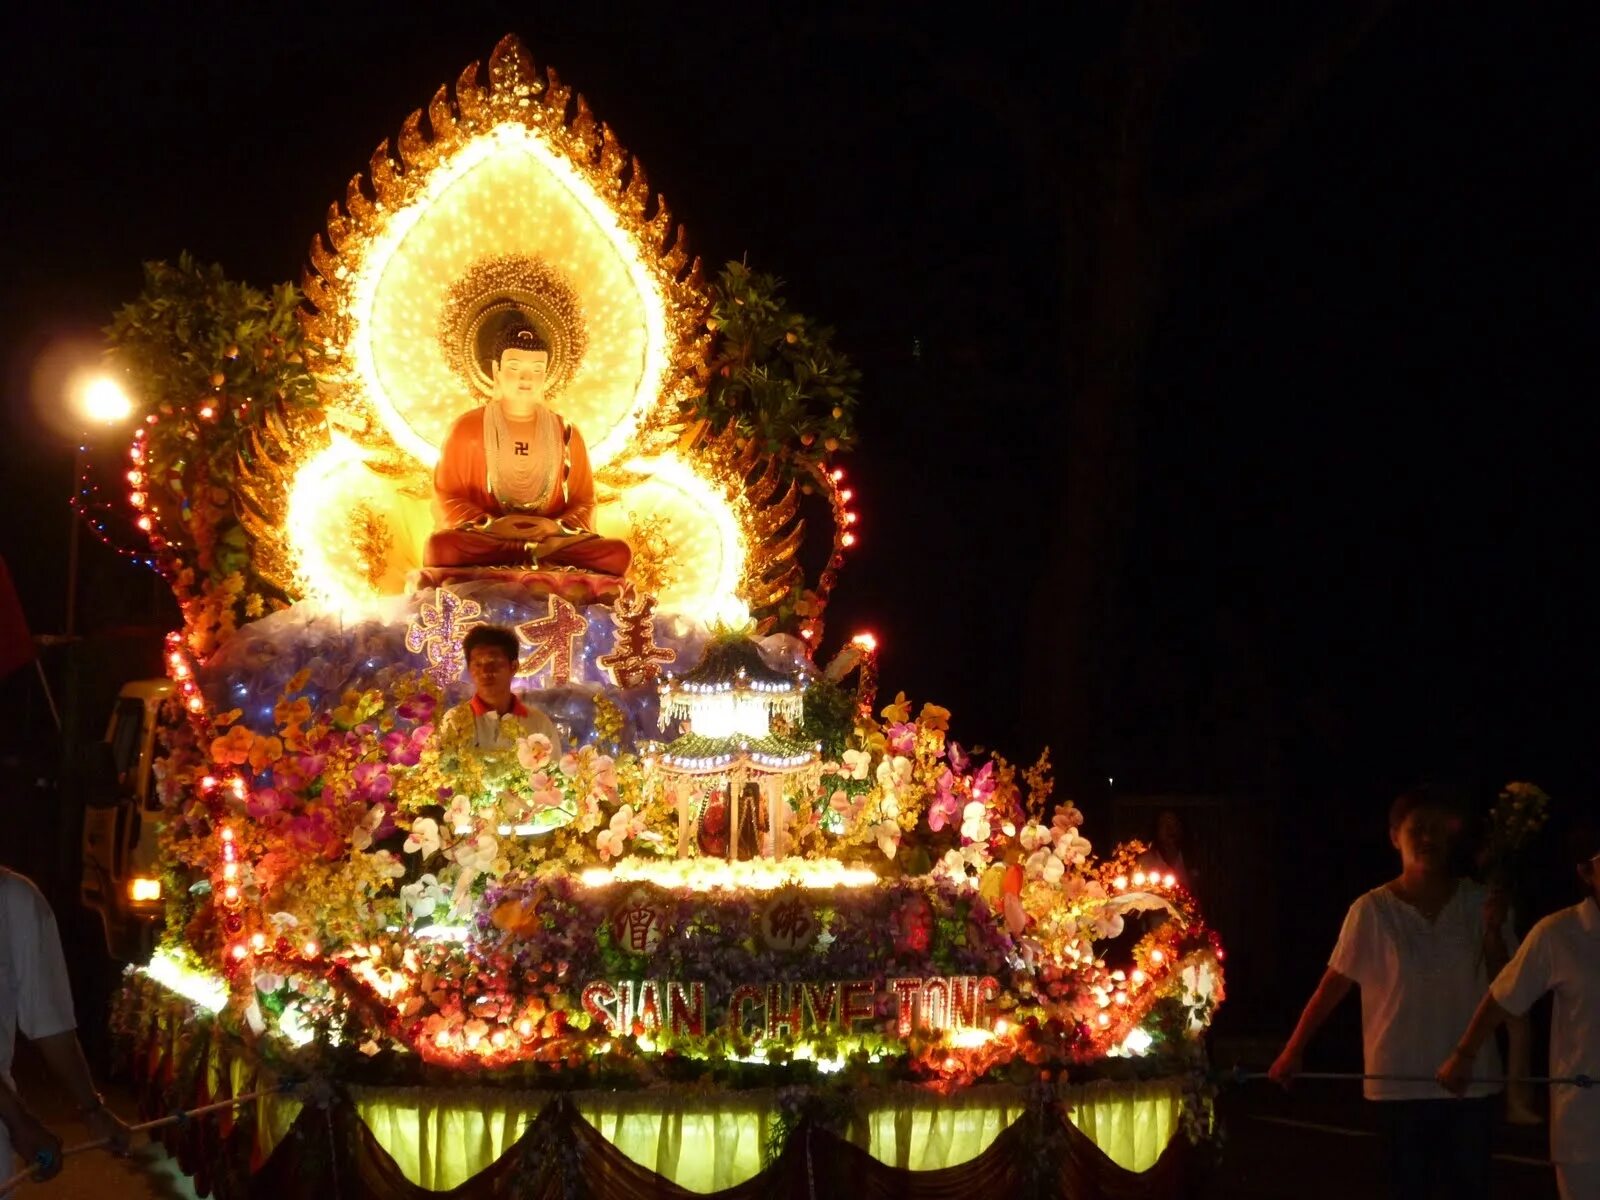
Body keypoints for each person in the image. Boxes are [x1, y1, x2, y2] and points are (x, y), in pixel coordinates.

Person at [1268, 785, 1513, 1200]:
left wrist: (1492, 931)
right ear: (1394, 835)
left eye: (1437, 828)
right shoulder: (1371, 909)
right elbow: (1335, 982)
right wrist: (1294, 1048)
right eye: (1418, 828)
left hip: (1470, 1082)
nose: (1428, 838)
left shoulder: (1480, 901)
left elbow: (1505, 985)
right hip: (1398, 1083)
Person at [1437, 823, 1600, 1200]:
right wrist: (1463, 1055)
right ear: (1586, 872)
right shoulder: (1560, 933)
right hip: (1587, 1129)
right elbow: (1503, 995)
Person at [424, 322, 632, 575]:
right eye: (514, 368)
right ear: (496, 371)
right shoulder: (468, 428)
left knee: (618, 552)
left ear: (546, 375)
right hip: (490, 539)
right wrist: (494, 526)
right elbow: (448, 497)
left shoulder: (567, 434)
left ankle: (530, 557)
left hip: (552, 541)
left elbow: (585, 502)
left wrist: (554, 529)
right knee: (441, 548)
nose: (526, 378)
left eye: (536, 369)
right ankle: (534, 560)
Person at [0, 868, 130, 1179]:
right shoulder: (13, 898)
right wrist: (18, 1120)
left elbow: (51, 1024)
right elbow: (50, 1023)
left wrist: (91, 1109)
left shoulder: (14, 900)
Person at [439, 624, 561, 753]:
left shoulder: (538, 723)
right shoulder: (454, 720)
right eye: (478, 664)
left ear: (513, 666)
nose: (485, 672)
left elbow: (553, 772)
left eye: (494, 663)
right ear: (469, 669)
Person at [1138, 808, 1197, 895]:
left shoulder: (1192, 860)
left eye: (1174, 824)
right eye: (1164, 824)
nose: (1170, 829)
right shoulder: (1145, 862)